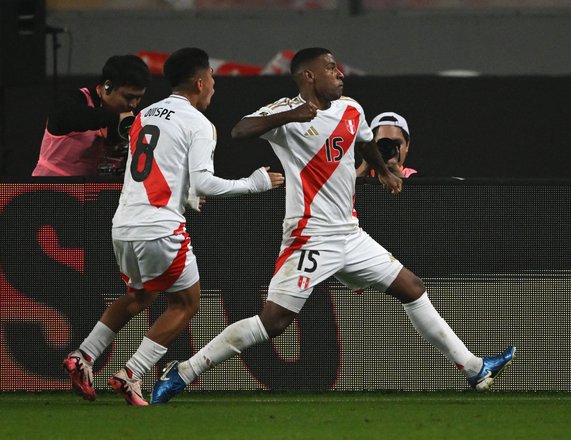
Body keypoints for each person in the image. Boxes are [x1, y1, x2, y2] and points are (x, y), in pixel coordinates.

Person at [151, 47, 515, 404]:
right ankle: (183, 373)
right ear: (308, 76)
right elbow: (240, 131)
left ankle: (474, 368)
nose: (339, 74)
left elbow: (367, 142)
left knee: (412, 287)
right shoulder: (287, 112)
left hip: (349, 234)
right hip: (309, 237)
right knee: (274, 323)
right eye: (330, 68)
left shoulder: (351, 109)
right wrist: (290, 115)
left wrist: (386, 170)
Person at [62, 47, 285, 405]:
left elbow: (158, 172)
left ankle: (83, 356)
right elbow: (205, 184)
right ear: (200, 81)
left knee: (139, 296)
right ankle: (131, 373)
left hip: (124, 224)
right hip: (161, 228)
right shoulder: (198, 123)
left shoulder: (145, 114)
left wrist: (186, 197)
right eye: (212, 76)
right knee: (186, 302)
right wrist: (255, 183)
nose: (214, 84)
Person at [33, 54, 150, 177]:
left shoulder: (125, 113)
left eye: (139, 98)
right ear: (108, 86)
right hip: (51, 186)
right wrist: (115, 118)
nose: (133, 104)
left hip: (89, 189)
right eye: (128, 97)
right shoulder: (71, 101)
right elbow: (74, 116)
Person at [356, 111, 417, 178]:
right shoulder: (352, 175)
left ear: (407, 145)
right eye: (382, 143)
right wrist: (363, 169)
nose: (389, 148)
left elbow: (418, 188)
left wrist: (396, 173)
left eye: (396, 143)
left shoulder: (417, 178)